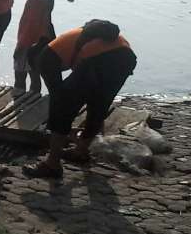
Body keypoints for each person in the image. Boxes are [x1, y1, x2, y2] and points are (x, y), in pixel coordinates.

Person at [23, 20, 137, 179]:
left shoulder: (44, 59)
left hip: (101, 59)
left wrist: (66, 130)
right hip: (125, 56)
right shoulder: (67, 43)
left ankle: (52, 164)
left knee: (62, 106)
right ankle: (81, 151)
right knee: (99, 103)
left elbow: (58, 99)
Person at [13, 0, 55, 96]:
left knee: (20, 73)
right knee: (35, 73)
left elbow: (31, 24)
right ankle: (34, 98)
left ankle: (19, 98)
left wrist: (21, 45)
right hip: (42, 40)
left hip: (30, 41)